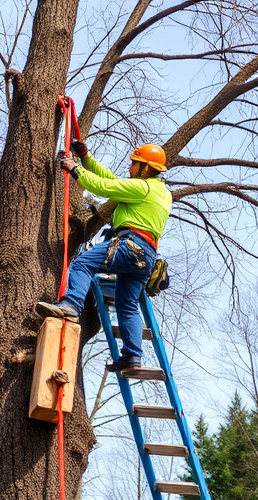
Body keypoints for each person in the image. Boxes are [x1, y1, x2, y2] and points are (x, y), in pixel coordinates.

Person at [35, 142, 172, 370]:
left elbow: (105, 186)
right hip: (145, 257)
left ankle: (71, 304)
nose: (130, 168)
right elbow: (112, 180)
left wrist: (75, 169)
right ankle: (132, 357)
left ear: (146, 168)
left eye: (134, 164)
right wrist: (86, 159)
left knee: (82, 263)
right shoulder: (159, 191)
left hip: (131, 246)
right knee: (126, 304)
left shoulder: (144, 188)